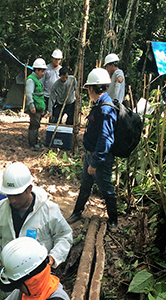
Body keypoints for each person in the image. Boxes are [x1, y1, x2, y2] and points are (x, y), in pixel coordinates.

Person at [0, 162, 73, 274]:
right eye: (9, 194)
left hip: (38, 275)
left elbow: (64, 235)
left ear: (29, 189)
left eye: (17, 195)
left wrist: (53, 257)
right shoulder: (0, 209)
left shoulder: (49, 210)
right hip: (9, 273)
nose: (13, 200)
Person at [66, 68, 118, 230]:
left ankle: (113, 221)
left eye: (88, 88)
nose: (88, 91)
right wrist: (86, 152)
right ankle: (77, 212)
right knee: (85, 185)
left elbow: (105, 139)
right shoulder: (98, 105)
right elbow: (93, 133)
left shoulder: (106, 109)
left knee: (106, 189)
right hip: (91, 155)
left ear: (93, 88)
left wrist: (94, 163)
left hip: (100, 159)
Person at [25, 58, 48, 150]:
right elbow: (29, 94)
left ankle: (35, 142)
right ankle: (33, 144)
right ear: (37, 70)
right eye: (42, 71)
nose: (43, 73)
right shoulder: (31, 80)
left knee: (36, 125)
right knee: (34, 125)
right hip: (34, 108)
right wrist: (31, 106)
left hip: (38, 107)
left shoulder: (37, 80)